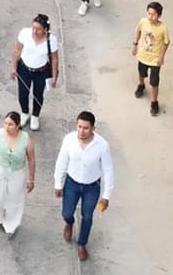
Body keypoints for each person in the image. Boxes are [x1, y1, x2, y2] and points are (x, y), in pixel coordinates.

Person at [54, 111, 115, 261]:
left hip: (91, 187)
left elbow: (108, 170)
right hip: (71, 184)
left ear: (93, 128)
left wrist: (106, 196)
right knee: (67, 213)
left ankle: (82, 243)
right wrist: (58, 183)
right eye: (79, 127)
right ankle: (69, 223)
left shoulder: (102, 145)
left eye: (86, 128)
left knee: (87, 216)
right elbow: (61, 161)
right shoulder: (69, 140)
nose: (81, 131)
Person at [0, 111, 35, 236]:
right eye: (5, 123)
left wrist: (31, 179)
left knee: (14, 201)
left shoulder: (26, 138)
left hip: (17, 173)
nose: (7, 127)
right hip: (0, 171)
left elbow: (31, 159)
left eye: (11, 124)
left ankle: (11, 224)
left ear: (18, 126)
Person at [12, 14, 60, 130]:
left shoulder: (51, 40)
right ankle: (24, 112)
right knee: (23, 94)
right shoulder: (24, 33)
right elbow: (17, 50)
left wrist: (54, 76)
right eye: (33, 27)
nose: (34, 31)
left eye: (38, 29)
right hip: (24, 68)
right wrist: (13, 67)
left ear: (45, 29)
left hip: (41, 71)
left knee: (38, 94)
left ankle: (35, 115)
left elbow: (54, 58)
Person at [133, 1, 172, 116]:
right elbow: (138, 31)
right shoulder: (143, 22)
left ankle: (154, 101)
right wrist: (135, 45)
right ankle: (141, 85)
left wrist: (161, 56)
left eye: (153, 14)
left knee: (154, 82)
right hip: (142, 56)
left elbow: (166, 43)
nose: (150, 17)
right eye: (149, 13)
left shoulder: (163, 28)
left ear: (159, 15)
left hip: (155, 60)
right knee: (141, 73)